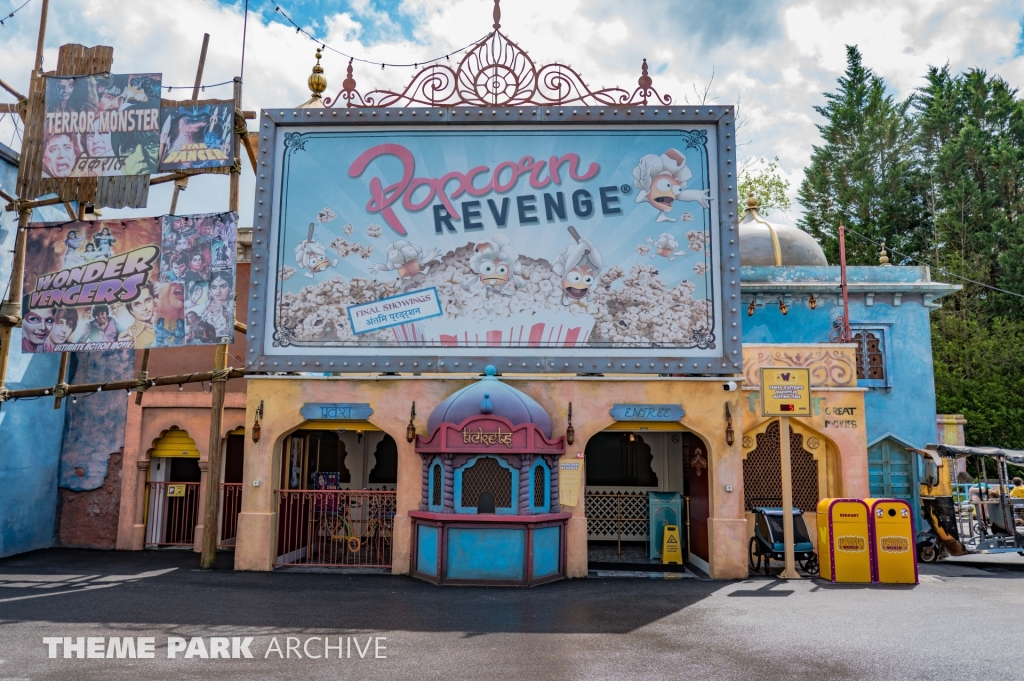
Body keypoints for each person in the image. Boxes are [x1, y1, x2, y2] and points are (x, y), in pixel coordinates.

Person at [118, 283, 157, 347]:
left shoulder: (170, 321)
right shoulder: (129, 335)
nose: (144, 308)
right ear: (131, 311)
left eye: (147, 300)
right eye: (137, 304)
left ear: (154, 300)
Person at [201, 271, 233, 339]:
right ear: (210, 289)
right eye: (214, 287)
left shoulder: (232, 305)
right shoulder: (204, 306)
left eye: (223, 286)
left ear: (230, 288)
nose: (218, 291)